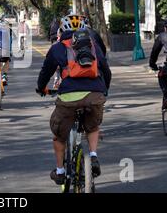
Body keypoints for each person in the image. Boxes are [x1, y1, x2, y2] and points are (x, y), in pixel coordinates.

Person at [37, 15, 111, 185]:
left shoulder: (57, 48)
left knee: (59, 135)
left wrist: (41, 88)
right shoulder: (94, 46)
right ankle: (93, 156)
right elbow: (106, 71)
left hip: (69, 97)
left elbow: (45, 72)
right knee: (93, 127)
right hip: (95, 94)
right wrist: (104, 90)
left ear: (61, 31)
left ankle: (61, 171)